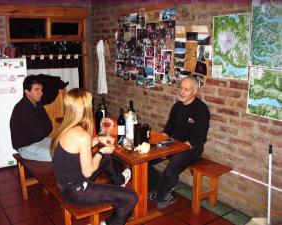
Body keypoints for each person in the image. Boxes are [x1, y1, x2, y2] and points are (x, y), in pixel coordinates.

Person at [50, 88, 138, 225]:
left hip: (66, 185)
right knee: (131, 197)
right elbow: (88, 171)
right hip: (77, 192)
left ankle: (119, 182)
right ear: (85, 108)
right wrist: (101, 152)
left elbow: (76, 148)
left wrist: (98, 140)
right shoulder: (82, 135)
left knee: (106, 160)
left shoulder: (65, 128)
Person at [148, 76, 210, 209]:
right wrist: (158, 144)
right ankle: (158, 189)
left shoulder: (201, 109)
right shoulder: (177, 106)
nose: (182, 92)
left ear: (194, 92)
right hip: (173, 142)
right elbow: (168, 130)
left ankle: (161, 196)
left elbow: (198, 138)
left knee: (171, 170)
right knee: (145, 159)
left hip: (191, 148)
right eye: (181, 88)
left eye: (186, 90)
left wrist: (174, 150)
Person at [10, 75, 52, 161]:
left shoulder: (38, 104)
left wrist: (43, 130)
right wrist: (43, 130)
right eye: (37, 90)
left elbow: (50, 126)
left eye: (41, 89)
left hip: (41, 141)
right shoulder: (22, 109)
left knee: (65, 146)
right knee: (58, 155)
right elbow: (41, 132)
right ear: (27, 91)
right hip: (26, 148)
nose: (41, 93)